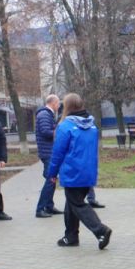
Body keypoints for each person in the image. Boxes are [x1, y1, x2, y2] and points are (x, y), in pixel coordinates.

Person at [45, 93, 112, 249]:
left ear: (66, 107)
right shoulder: (93, 127)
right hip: (88, 172)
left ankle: (101, 230)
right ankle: (71, 237)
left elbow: (57, 153)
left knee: (77, 204)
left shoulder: (65, 127)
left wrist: (52, 173)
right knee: (71, 204)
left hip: (72, 173)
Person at [35, 94, 64, 218]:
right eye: (58, 103)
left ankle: (49, 206)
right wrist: (60, 131)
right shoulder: (44, 114)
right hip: (48, 153)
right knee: (50, 179)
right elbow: (46, 132)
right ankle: (40, 209)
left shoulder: (48, 114)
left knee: (52, 179)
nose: (59, 106)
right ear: (53, 103)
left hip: (49, 151)